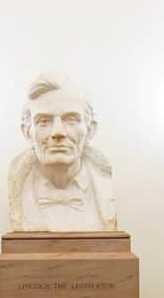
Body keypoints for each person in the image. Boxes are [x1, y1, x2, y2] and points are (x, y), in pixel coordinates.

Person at [8, 74, 117, 232]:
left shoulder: (102, 189)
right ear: (26, 132)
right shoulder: (20, 186)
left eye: (71, 120)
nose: (58, 132)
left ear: (90, 130)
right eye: (44, 121)